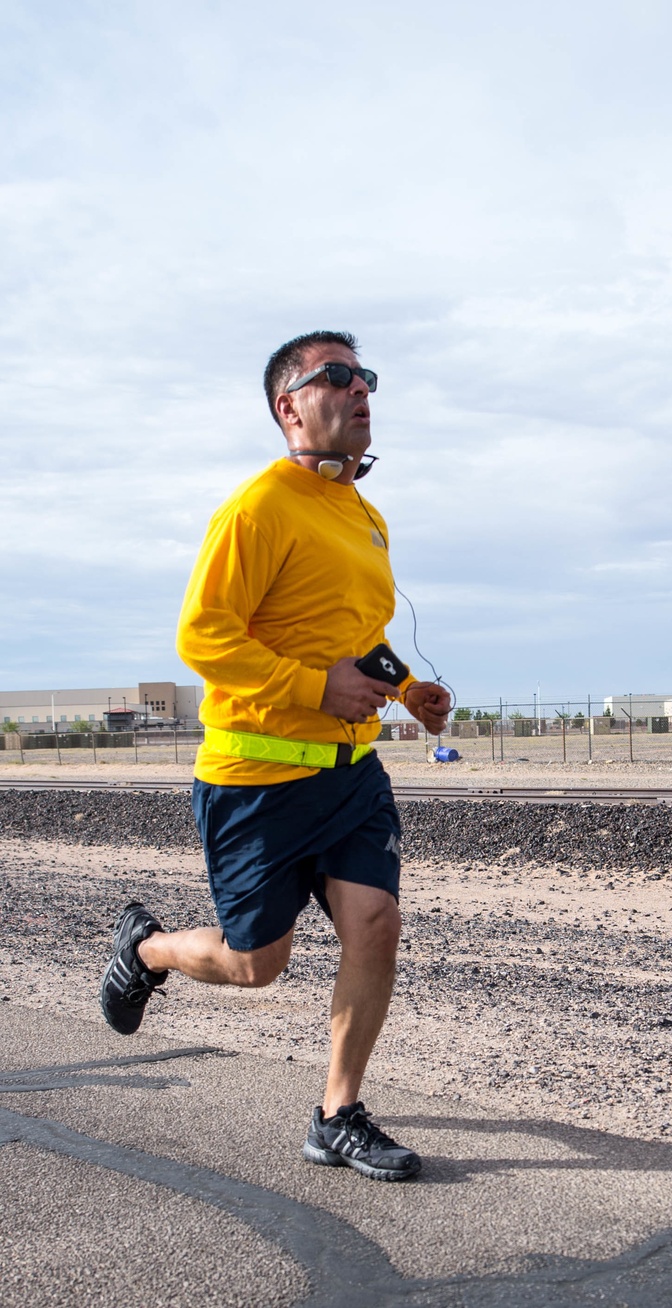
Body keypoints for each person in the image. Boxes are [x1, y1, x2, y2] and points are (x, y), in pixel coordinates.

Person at [100, 330, 450, 1182]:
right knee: (257, 965)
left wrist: (407, 694)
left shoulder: (366, 517)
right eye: (336, 376)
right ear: (287, 406)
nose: (359, 388)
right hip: (255, 781)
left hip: (350, 776)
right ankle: (145, 949)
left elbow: (360, 641)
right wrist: (312, 688)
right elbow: (202, 637)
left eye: (366, 376)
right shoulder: (256, 508)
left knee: (377, 923)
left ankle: (338, 1114)